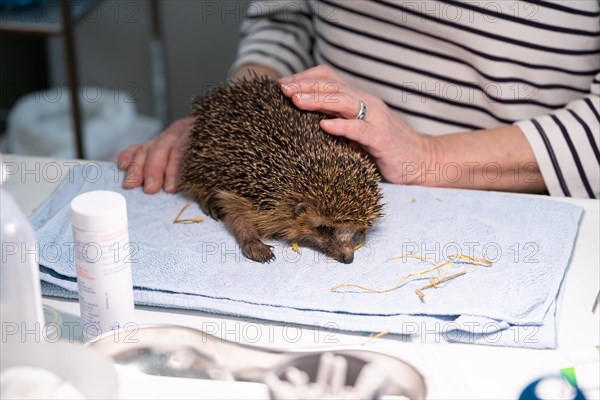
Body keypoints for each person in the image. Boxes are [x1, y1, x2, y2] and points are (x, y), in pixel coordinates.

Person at [118, 0, 599, 198]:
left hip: (515, 199)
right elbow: (287, 16)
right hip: (305, 170)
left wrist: (430, 157)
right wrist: (239, 119)